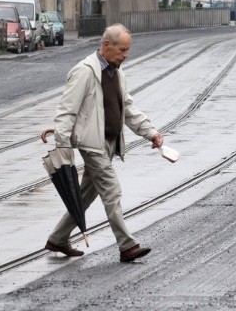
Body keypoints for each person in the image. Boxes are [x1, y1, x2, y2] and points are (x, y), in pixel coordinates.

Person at [43, 23, 164, 263]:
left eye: (127, 50)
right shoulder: (85, 71)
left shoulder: (117, 73)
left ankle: (58, 238)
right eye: (122, 50)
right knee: (112, 190)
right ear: (106, 45)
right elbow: (67, 110)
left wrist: (151, 132)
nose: (125, 55)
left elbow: (127, 108)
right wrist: (62, 143)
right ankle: (127, 245)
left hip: (108, 144)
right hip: (92, 145)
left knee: (86, 195)